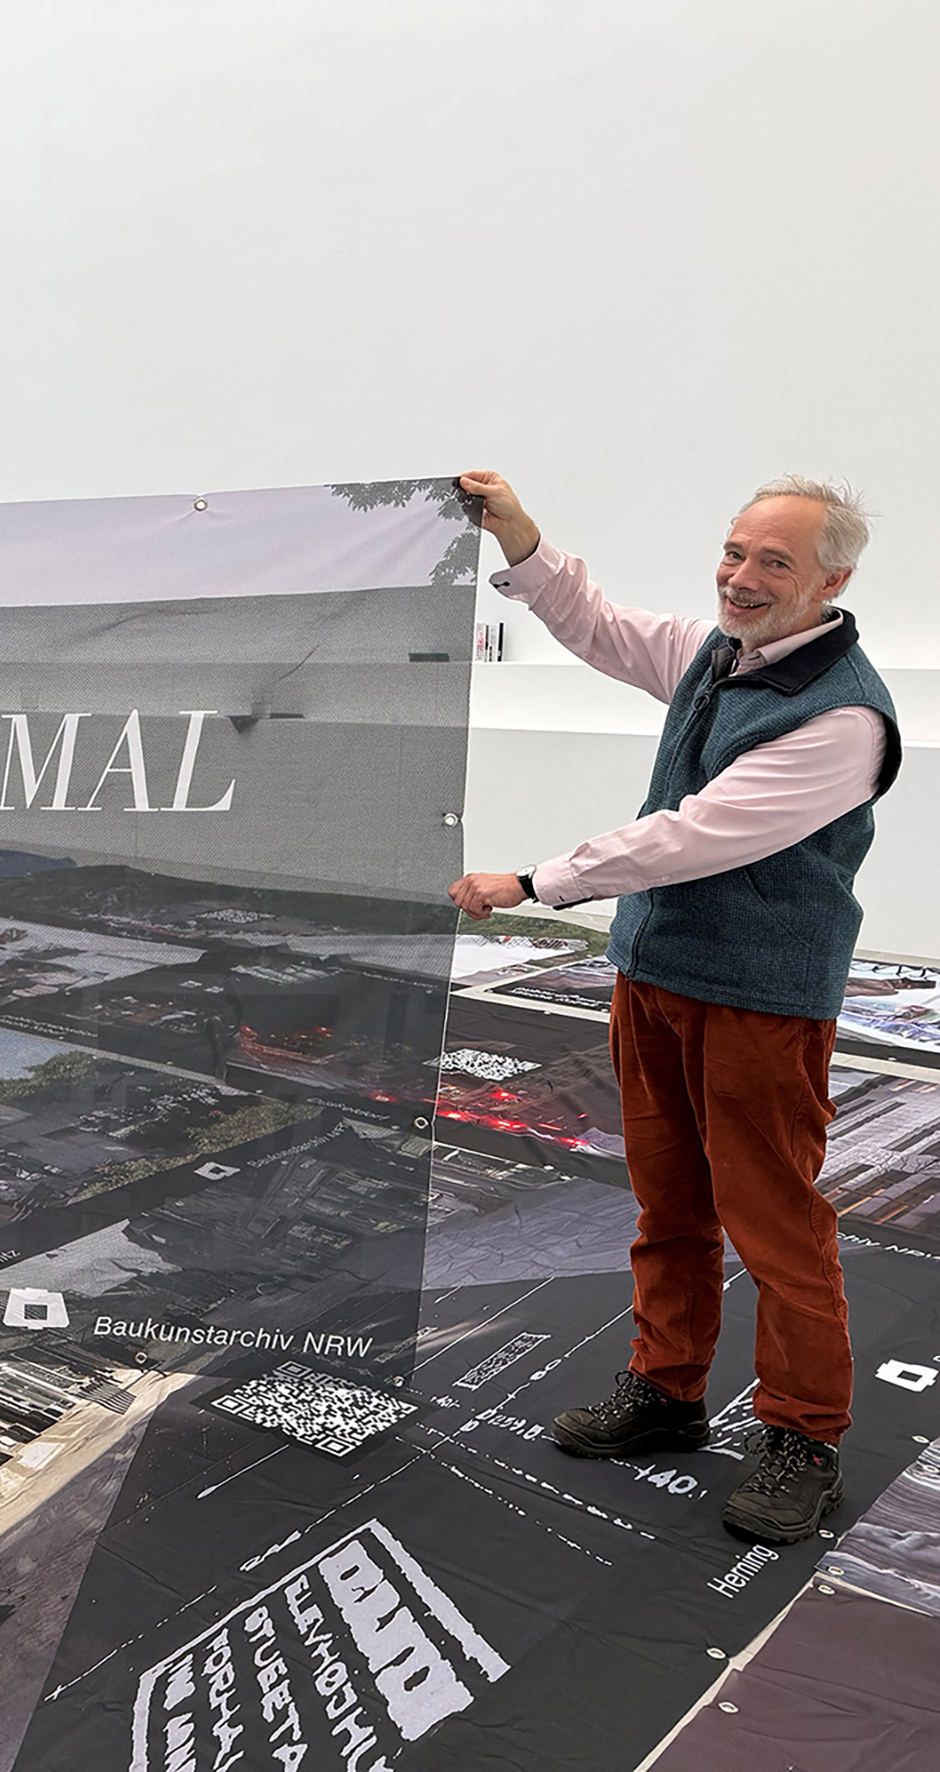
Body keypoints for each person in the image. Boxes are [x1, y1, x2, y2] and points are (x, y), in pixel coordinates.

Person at [451, 470, 898, 1545]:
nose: (741, 577)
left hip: (759, 1002)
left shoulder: (844, 719)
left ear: (831, 583)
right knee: (668, 1207)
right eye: (735, 552)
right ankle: (667, 1389)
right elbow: (602, 626)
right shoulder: (720, 653)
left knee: (776, 1224)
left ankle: (801, 1436)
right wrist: (521, 539)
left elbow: (693, 836)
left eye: (774, 562)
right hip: (655, 979)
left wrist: (536, 880)